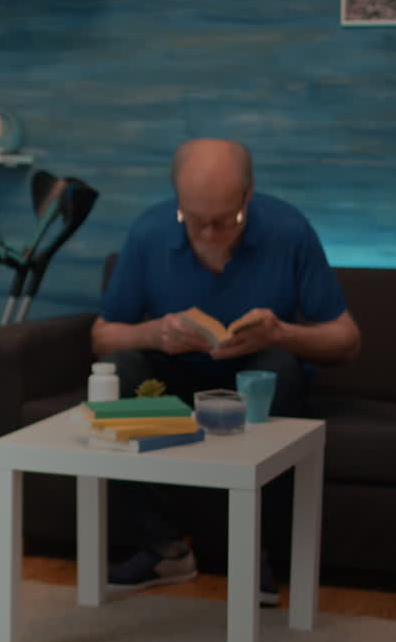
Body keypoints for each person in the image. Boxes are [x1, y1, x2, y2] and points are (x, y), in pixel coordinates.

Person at [92, 138, 360, 603]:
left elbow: (346, 340)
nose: (211, 234)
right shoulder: (149, 231)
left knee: (279, 368)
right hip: (173, 373)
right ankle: (165, 548)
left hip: (253, 376)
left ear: (248, 196)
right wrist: (153, 333)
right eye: (196, 222)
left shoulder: (288, 229)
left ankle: (256, 550)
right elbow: (103, 335)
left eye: (225, 221)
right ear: (178, 201)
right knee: (122, 366)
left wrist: (281, 333)